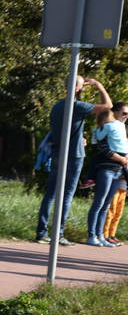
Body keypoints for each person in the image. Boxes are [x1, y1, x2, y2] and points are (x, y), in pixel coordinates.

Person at [35, 76, 112, 246]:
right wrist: (98, 85)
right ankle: (59, 233)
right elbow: (108, 106)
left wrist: (79, 138)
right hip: (74, 156)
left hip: (57, 153)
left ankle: (42, 233)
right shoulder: (77, 106)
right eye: (82, 84)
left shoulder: (57, 106)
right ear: (77, 88)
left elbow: (61, 130)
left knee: (50, 194)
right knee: (67, 194)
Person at [85, 101, 128, 247]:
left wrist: (125, 158)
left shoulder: (121, 128)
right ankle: (91, 235)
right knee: (99, 202)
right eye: (124, 113)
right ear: (114, 113)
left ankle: (100, 235)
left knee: (106, 204)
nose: (126, 116)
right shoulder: (105, 127)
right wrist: (122, 158)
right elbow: (102, 149)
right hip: (106, 170)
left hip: (118, 171)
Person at [103, 167, 127, 246]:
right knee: (111, 212)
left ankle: (112, 235)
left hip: (124, 191)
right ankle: (105, 235)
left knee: (118, 214)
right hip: (116, 189)